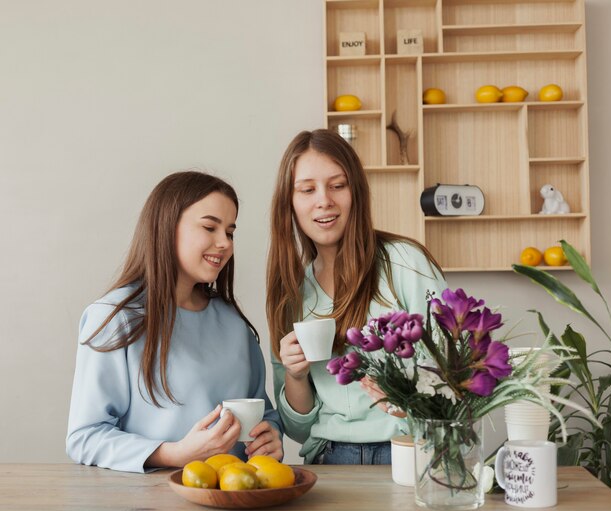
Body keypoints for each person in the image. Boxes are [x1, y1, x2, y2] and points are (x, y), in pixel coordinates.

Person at [66, 171, 282, 473]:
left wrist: (271, 436)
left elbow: (263, 413)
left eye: (230, 232)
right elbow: (84, 437)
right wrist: (173, 454)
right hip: (149, 501)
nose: (224, 243)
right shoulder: (115, 318)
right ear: (166, 228)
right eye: (210, 227)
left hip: (235, 497)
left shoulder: (233, 324)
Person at [266, 129, 447, 465]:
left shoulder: (405, 262)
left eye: (338, 185)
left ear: (356, 192)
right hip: (329, 458)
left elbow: (456, 370)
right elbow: (298, 429)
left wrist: (405, 395)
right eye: (307, 189)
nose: (324, 200)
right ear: (289, 202)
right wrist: (295, 375)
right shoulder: (291, 294)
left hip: (408, 451)